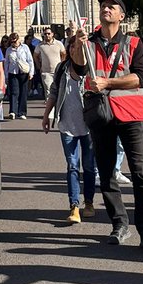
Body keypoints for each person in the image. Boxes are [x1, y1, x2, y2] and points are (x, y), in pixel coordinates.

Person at [85, 0, 143, 247]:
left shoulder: (134, 43)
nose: (105, 9)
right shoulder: (88, 43)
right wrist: (76, 45)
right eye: (102, 6)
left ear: (121, 16)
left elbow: (141, 78)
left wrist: (108, 83)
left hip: (131, 113)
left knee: (140, 173)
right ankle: (119, 224)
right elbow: (77, 69)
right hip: (101, 114)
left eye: (111, 7)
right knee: (106, 174)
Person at [42, 31, 97, 224]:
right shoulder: (62, 68)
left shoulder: (91, 68)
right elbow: (54, 92)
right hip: (67, 124)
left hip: (89, 126)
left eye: (78, 46)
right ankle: (74, 206)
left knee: (89, 167)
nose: (75, 49)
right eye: (72, 46)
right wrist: (47, 115)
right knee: (73, 166)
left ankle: (89, 202)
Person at [3, 32, 34, 120]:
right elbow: (6, 63)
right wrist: (6, 76)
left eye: (15, 41)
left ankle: (22, 112)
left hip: (24, 72)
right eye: (12, 42)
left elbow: (30, 60)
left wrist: (31, 72)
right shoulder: (9, 50)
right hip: (13, 73)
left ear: (19, 40)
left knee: (23, 92)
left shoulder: (25, 48)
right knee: (14, 92)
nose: (14, 44)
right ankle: (13, 111)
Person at [34, 26, 66, 101]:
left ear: (52, 34)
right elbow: (35, 56)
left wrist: (62, 64)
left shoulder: (59, 44)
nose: (47, 35)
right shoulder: (40, 45)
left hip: (57, 71)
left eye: (48, 33)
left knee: (59, 89)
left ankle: (57, 105)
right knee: (48, 90)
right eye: (45, 34)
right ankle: (50, 106)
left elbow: (64, 54)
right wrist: (39, 66)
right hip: (46, 72)